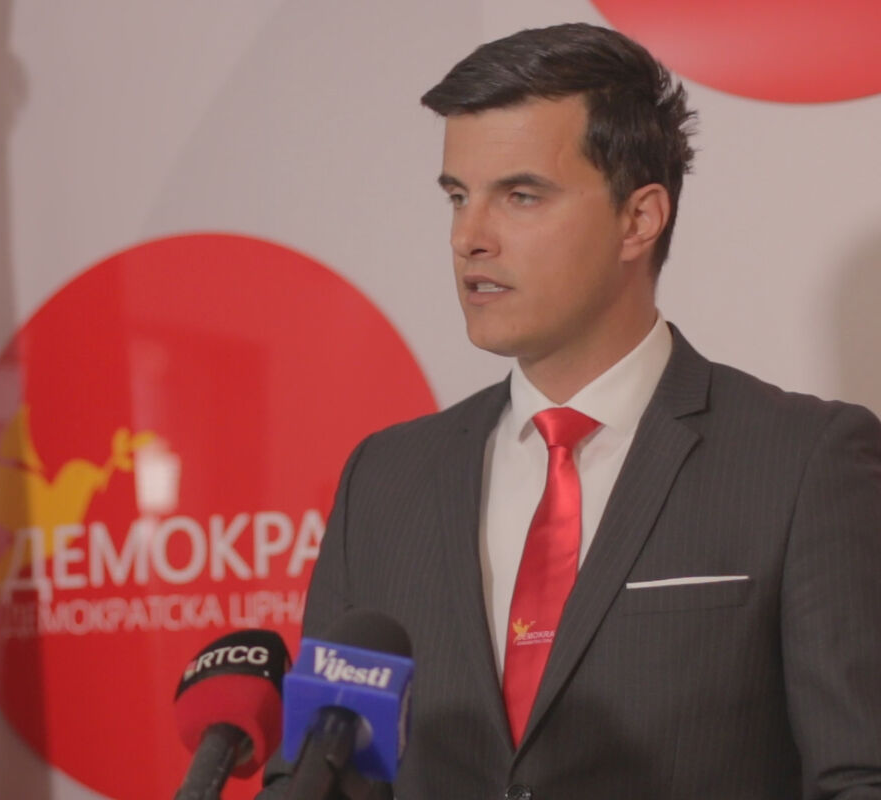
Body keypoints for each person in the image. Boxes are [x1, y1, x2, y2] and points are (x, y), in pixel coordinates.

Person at [259, 22, 881, 800]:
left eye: (520, 196)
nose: (468, 237)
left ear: (638, 219)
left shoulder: (801, 463)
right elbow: (317, 775)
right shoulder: (383, 481)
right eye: (457, 197)